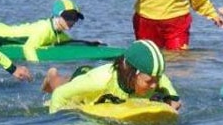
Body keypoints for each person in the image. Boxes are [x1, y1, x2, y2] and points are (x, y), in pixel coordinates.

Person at [42, 39, 181, 114]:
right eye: (149, 81)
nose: (154, 85)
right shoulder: (98, 81)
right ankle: (52, 76)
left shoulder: (152, 76)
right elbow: (59, 95)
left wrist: (172, 99)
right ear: (131, 72)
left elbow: (164, 81)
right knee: (60, 86)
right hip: (85, 78)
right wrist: (58, 120)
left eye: (156, 79)